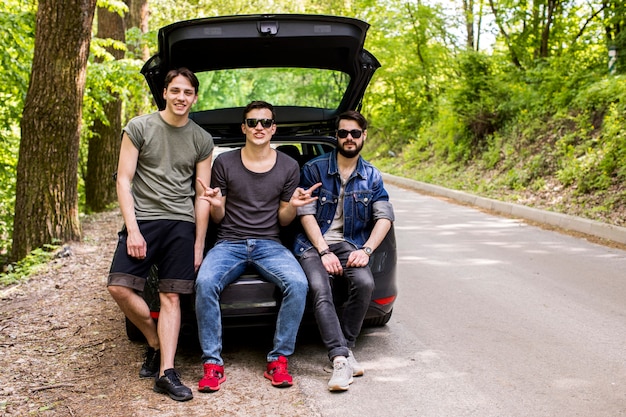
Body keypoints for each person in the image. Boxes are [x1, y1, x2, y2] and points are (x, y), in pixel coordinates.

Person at [194, 100, 317, 392]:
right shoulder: (224, 163)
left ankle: (279, 360)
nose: (258, 127)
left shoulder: (289, 166)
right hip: (229, 242)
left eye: (264, 122)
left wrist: (295, 206)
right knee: (205, 283)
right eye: (252, 122)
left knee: (298, 284)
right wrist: (214, 204)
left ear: (273, 128)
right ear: (244, 128)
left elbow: (284, 220)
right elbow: (218, 216)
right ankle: (212, 365)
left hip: (269, 244)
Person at [107, 68, 214, 402]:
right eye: (176, 90)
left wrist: (198, 244)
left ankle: (166, 372)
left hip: (181, 223)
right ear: (165, 93)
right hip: (144, 221)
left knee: (171, 296)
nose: (181, 97)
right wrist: (134, 230)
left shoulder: (202, 139)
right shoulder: (139, 127)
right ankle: (154, 341)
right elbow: (123, 180)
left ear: (195, 97)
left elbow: (202, 196)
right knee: (118, 287)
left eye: (188, 92)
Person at [293, 110, 394, 391]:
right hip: (313, 244)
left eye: (355, 133)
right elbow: (305, 213)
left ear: (364, 136)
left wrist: (366, 250)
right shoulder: (314, 168)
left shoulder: (372, 176)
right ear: (336, 136)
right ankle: (339, 360)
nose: (349, 138)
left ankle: (345, 349)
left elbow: (384, 216)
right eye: (343, 133)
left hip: (349, 244)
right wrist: (324, 251)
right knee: (320, 287)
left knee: (364, 282)